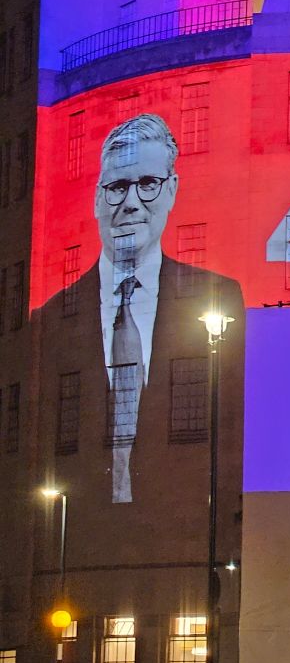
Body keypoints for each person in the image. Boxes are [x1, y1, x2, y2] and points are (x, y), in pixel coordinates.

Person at [37, 113, 245, 505]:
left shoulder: (222, 295)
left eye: (148, 184)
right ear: (97, 198)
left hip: (181, 502)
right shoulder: (49, 317)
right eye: (117, 187)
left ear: (172, 190)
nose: (131, 203)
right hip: (79, 509)